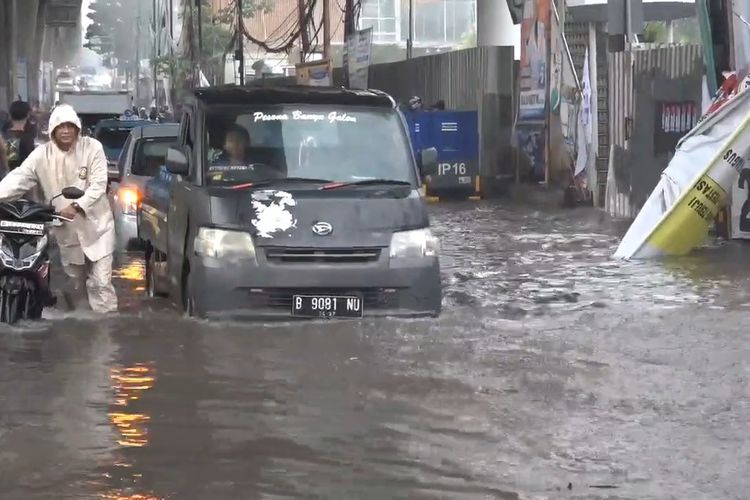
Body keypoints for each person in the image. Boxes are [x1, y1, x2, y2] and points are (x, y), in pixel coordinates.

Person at [0, 104, 118, 313]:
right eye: (60, 127)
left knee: (101, 283)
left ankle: (106, 329)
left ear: (77, 128)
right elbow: (18, 179)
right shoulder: (41, 155)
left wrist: (76, 206)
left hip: (98, 228)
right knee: (76, 289)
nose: (65, 131)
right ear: (52, 130)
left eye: (70, 126)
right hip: (66, 231)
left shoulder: (93, 148)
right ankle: (83, 332)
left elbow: (99, 184)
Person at [2, 100, 36, 173]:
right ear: (28, 114)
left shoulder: (3, 136)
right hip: (20, 179)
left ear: (10, 115)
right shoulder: (27, 139)